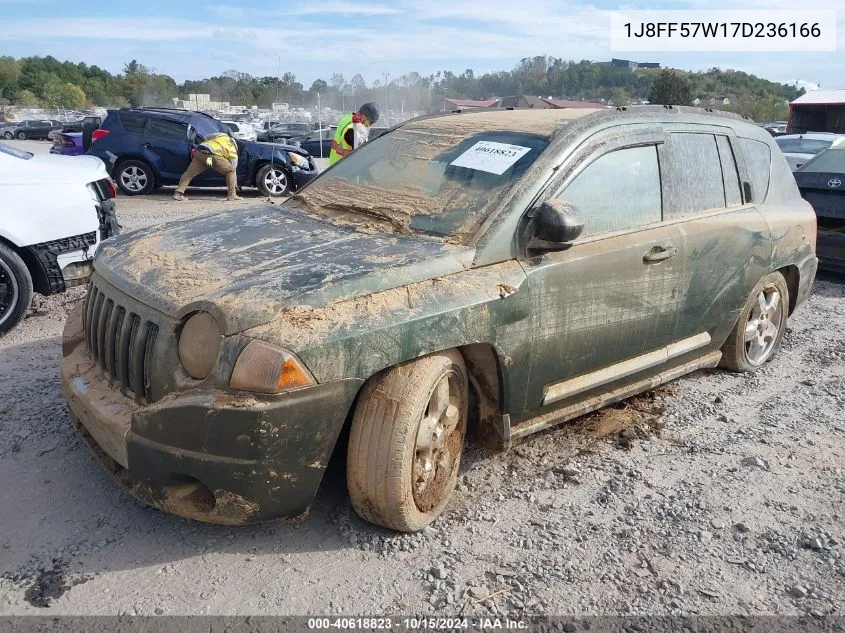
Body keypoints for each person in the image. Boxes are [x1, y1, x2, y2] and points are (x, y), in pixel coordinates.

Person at [173, 131, 241, 201]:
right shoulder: (233, 151)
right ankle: (232, 195)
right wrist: (234, 183)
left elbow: (206, 137)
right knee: (230, 171)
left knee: (190, 173)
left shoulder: (222, 135)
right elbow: (233, 169)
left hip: (200, 152)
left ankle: (178, 194)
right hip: (211, 155)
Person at [328, 102, 380, 166]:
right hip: (343, 168)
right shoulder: (353, 128)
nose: (369, 125)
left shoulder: (347, 118)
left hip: (334, 165)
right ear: (364, 117)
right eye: (371, 122)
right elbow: (353, 155)